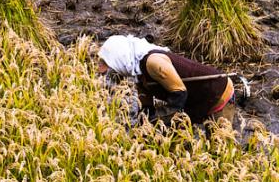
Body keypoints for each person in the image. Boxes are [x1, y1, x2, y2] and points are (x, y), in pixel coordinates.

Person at [97, 35, 236, 126]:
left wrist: (160, 118)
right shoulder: (139, 73)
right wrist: (143, 124)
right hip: (196, 99)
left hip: (216, 93)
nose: (113, 72)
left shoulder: (153, 63)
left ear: (120, 58)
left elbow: (179, 95)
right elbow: (145, 105)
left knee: (219, 148)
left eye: (111, 66)